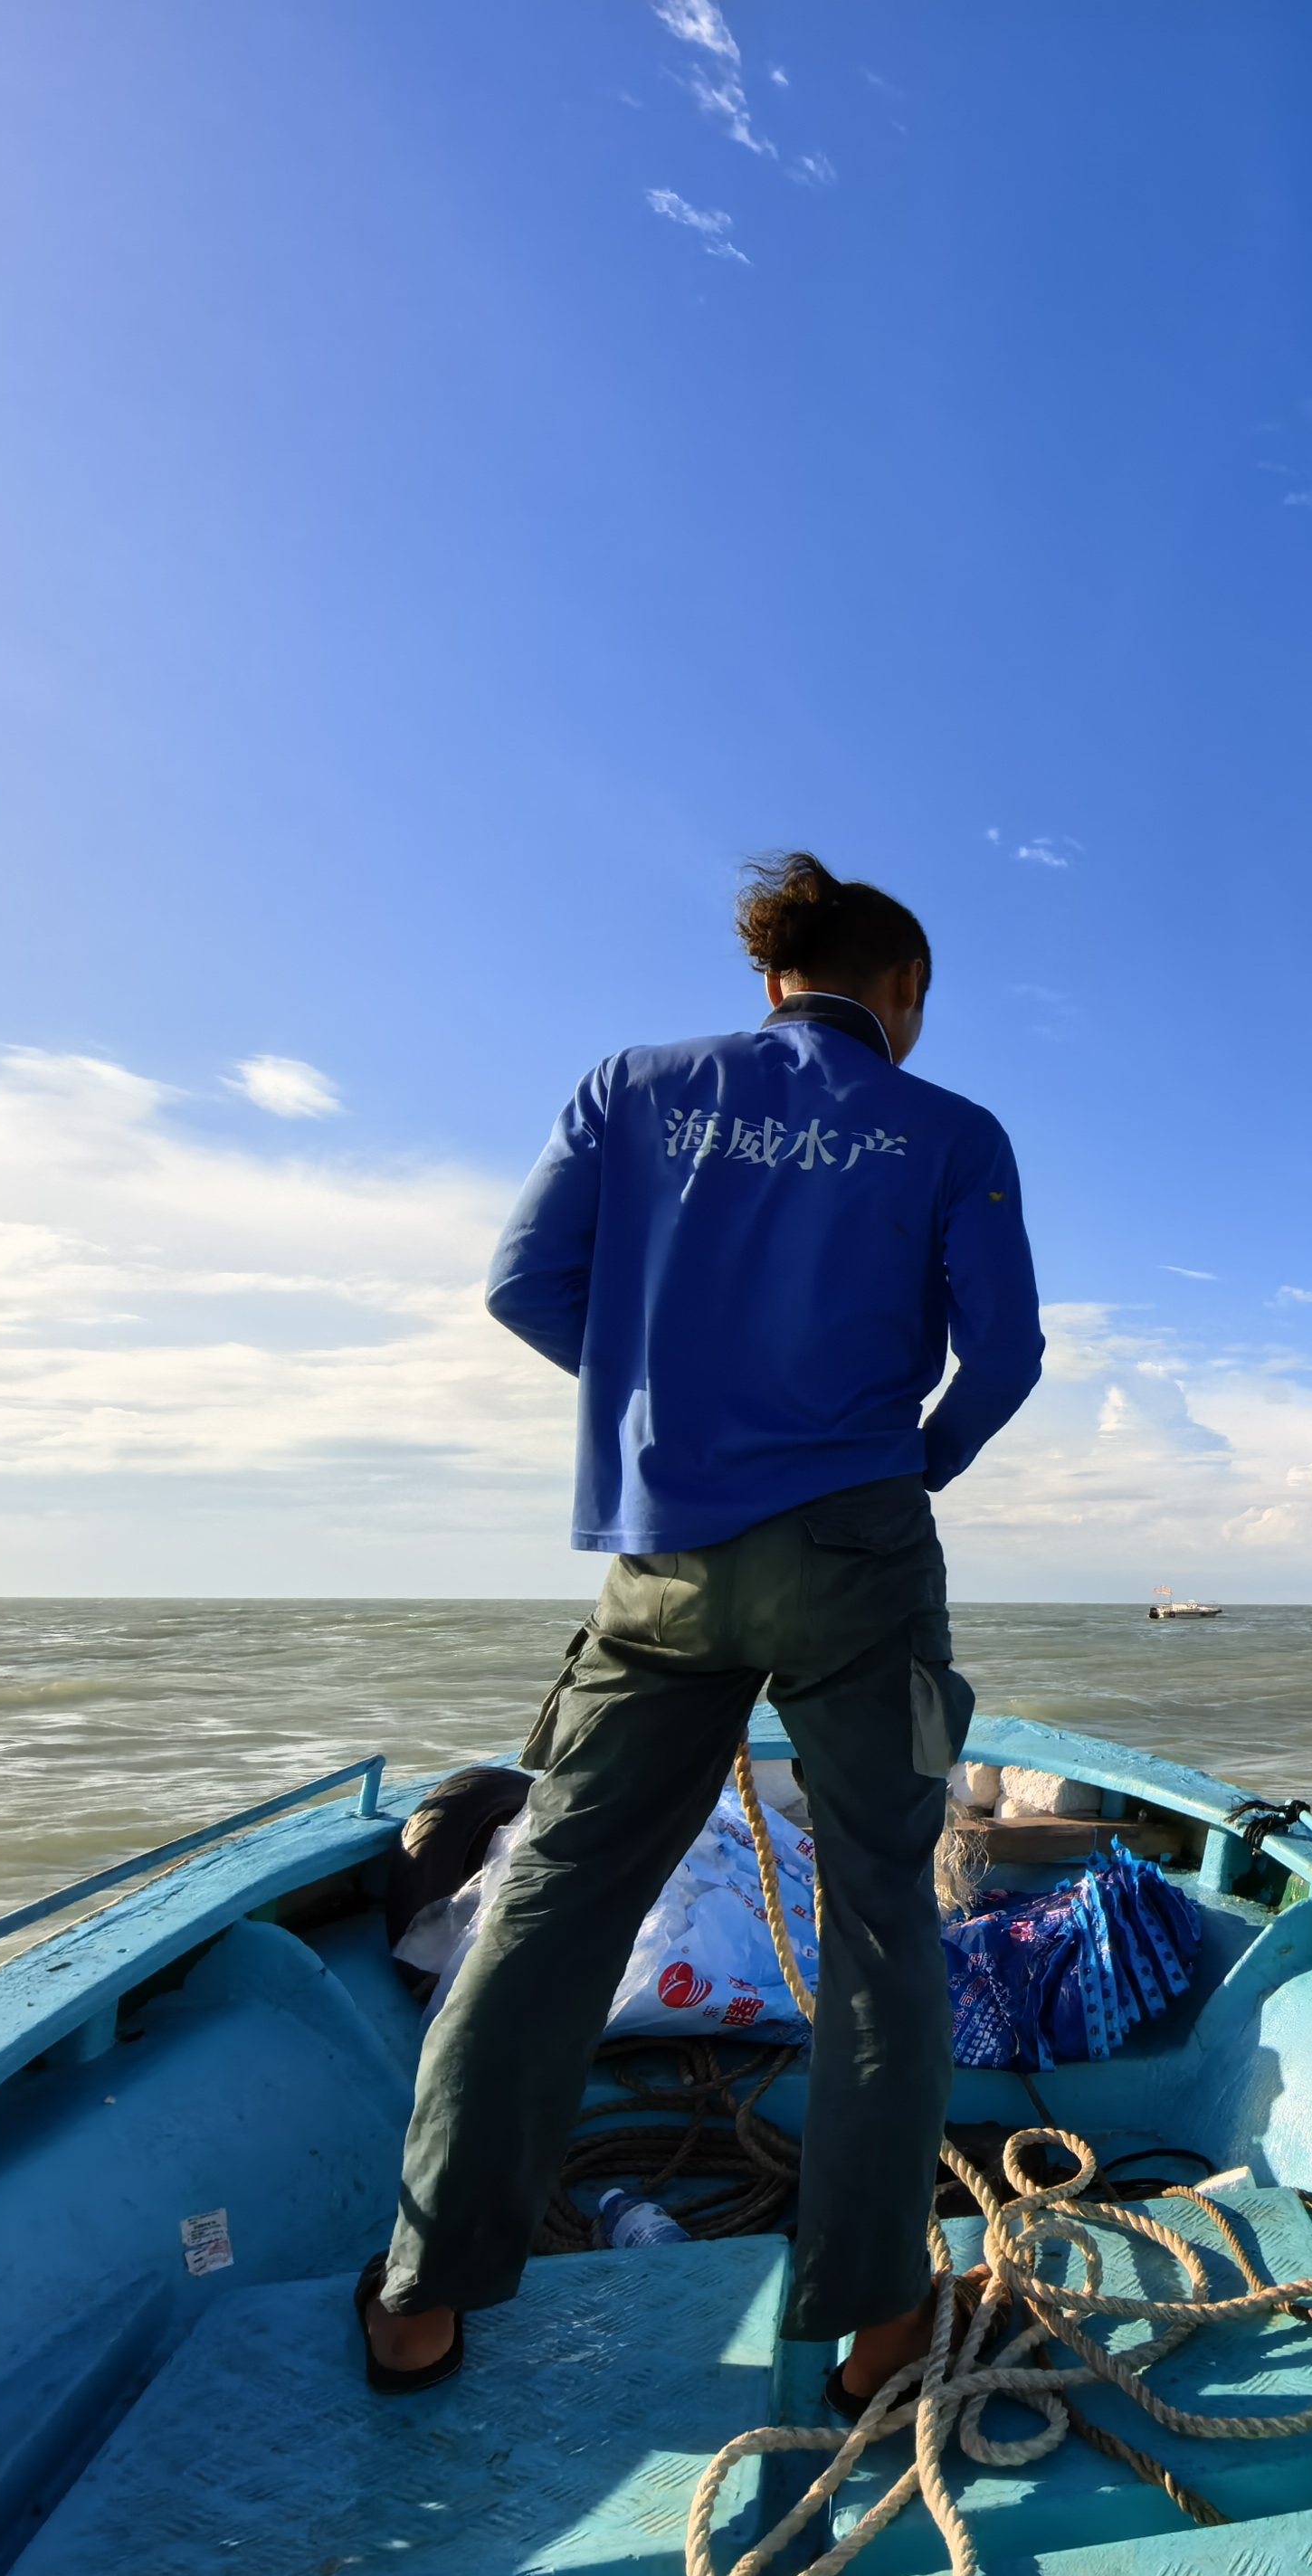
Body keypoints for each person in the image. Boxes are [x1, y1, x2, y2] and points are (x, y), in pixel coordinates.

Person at [360, 852, 1042, 2409]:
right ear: (905, 992)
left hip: (662, 1562)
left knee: (554, 1901)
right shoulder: (952, 1131)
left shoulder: (629, 1087)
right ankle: (876, 2329)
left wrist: (668, 1413)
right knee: (880, 1924)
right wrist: (906, 1461)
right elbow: (1002, 1356)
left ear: (770, 982)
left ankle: (420, 2296)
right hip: (863, 1553)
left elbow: (528, 1285)